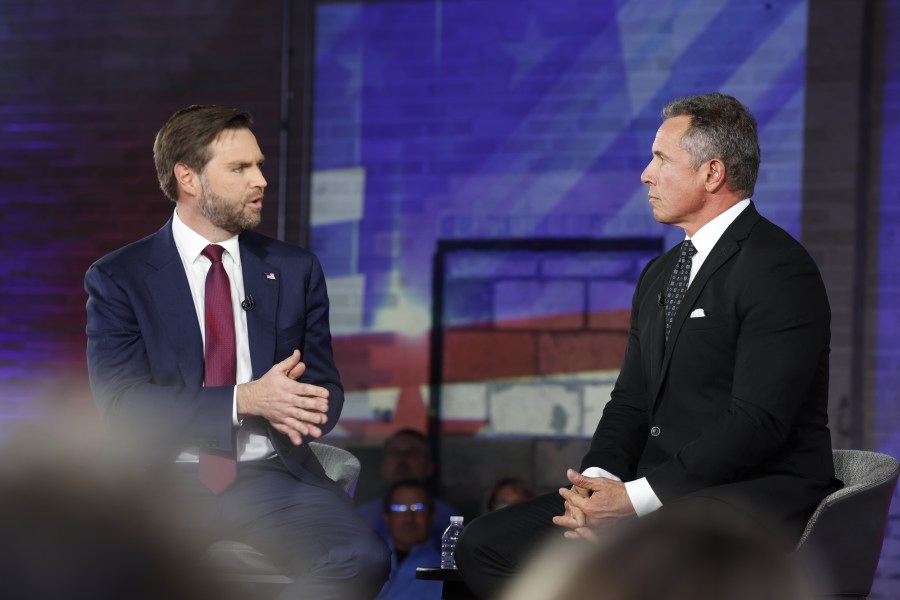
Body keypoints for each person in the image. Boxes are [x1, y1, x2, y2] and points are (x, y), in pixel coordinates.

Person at [454, 92, 840, 599]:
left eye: (660, 158)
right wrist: (594, 486)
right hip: (655, 490)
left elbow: (757, 423)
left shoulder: (777, 268)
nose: (644, 174)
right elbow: (631, 400)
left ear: (712, 173)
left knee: (647, 561)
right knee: (483, 545)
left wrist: (637, 501)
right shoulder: (661, 274)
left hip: (750, 492)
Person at [84, 105, 390, 599]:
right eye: (240, 168)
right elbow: (124, 409)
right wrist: (245, 400)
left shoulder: (294, 269)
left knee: (365, 559)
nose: (261, 180)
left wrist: (303, 406)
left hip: (269, 477)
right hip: (162, 482)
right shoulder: (120, 277)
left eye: (260, 165)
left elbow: (326, 388)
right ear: (188, 177)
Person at [357, 429, 457, 548]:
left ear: (430, 467)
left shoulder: (449, 521)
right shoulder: (362, 518)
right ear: (382, 467)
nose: (402, 460)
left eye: (413, 453)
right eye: (395, 453)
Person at [374, 480, 443, 600]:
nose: (409, 517)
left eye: (418, 508)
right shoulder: (366, 562)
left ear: (432, 517)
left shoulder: (443, 573)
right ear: (387, 517)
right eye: (400, 508)